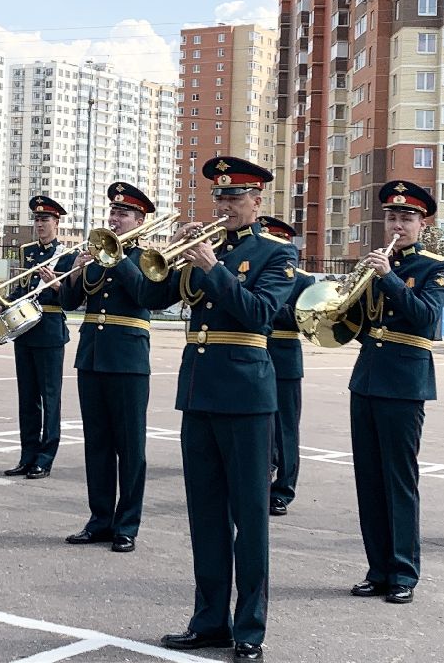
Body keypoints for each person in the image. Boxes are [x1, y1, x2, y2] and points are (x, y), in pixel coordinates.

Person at [157, 158, 296, 663]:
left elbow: (260, 313)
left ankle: (250, 627)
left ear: (258, 202)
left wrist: (212, 267)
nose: (225, 206)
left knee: (250, 517)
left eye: (235, 198)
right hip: (198, 392)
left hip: (245, 396)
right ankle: (209, 620)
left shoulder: (277, 255)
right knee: (206, 516)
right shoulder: (202, 251)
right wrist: (160, 256)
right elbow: (151, 294)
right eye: (219, 198)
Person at [347, 180, 444, 606]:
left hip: (406, 383)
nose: (398, 224)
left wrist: (388, 278)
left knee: (399, 481)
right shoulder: (374, 265)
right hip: (367, 377)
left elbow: (424, 317)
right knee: (369, 481)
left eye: (407, 218)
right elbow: (359, 326)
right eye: (392, 217)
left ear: (422, 223)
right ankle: (378, 570)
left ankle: (404, 572)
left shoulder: (435, 267)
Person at [61, 182, 164, 555]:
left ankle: (127, 525)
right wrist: (73, 272)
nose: (114, 218)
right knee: (98, 444)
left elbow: (144, 296)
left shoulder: (147, 258)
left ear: (139, 219)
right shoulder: (94, 253)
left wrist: (116, 259)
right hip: (92, 356)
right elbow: (71, 301)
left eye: (122, 214)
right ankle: (99, 519)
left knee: (130, 446)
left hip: (128, 360)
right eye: (112, 213)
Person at [0, 196, 74, 480]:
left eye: (45, 220)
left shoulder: (68, 254)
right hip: (25, 330)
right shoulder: (27, 252)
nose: (39, 225)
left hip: (49, 328)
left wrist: (58, 283)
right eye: (37, 220)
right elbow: (20, 290)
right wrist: (3, 306)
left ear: (56, 223)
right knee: (27, 398)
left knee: (50, 398)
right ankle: (27, 455)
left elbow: (73, 298)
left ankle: (45, 458)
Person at [258, 216, 313, 517]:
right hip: (258, 353)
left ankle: (283, 490)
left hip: (285, 357)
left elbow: (301, 319)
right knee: (259, 427)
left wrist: (265, 303)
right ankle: (259, 483)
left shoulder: (302, 279)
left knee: (286, 431)